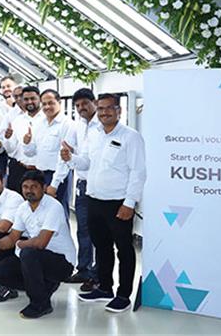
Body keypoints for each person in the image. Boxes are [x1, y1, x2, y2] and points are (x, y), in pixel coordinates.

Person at [62, 93, 146, 313]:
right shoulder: (95, 134)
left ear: (119, 110)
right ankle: (105, 288)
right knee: (102, 247)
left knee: (124, 250)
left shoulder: (131, 137)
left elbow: (138, 172)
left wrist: (130, 203)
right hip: (94, 199)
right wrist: (70, 158)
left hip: (118, 203)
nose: (104, 112)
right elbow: (86, 162)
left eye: (109, 108)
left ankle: (124, 294)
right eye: (100, 109)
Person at [0, 171, 76, 319]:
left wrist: (20, 243)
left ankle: (41, 304)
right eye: (25, 187)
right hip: (39, 259)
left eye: (34, 187)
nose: (29, 190)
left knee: (28, 252)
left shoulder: (54, 206)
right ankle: (44, 286)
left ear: (43, 187)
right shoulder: (23, 208)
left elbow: (41, 243)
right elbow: (12, 238)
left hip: (62, 262)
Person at [60, 88, 100, 291]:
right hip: (83, 184)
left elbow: (92, 161)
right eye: (77, 106)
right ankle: (84, 269)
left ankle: (98, 275)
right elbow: (71, 151)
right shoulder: (78, 126)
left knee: (100, 234)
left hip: (101, 185)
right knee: (83, 230)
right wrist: (70, 154)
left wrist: (72, 158)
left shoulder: (103, 126)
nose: (81, 108)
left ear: (94, 102)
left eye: (85, 103)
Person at [22, 89, 75, 212]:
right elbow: (31, 153)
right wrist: (26, 143)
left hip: (59, 176)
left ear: (59, 102)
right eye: (44, 104)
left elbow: (65, 159)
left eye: (50, 103)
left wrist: (54, 185)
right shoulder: (40, 123)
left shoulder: (67, 124)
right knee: (42, 212)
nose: (47, 107)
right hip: (40, 175)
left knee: (58, 212)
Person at [0, 86, 44, 194]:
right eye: (25, 99)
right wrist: (7, 138)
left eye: (33, 98)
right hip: (20, 169)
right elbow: (11, 149)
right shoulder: (18, 121)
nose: (29, 102)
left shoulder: (46, 119)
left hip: (41, 170)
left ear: (39, 98)